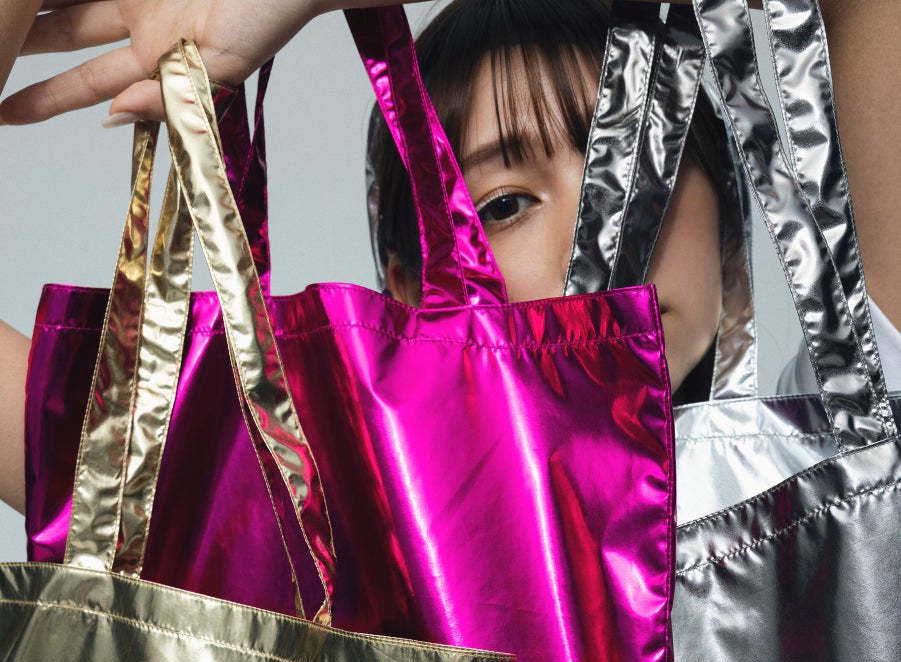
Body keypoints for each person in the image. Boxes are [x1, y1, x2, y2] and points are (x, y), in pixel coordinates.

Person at [0, 0, 898, 497]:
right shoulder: (331, 530)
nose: (604, 237)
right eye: (506, 204)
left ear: (728, 222)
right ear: (412, 291)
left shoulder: (848, 464)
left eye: (644, 172)